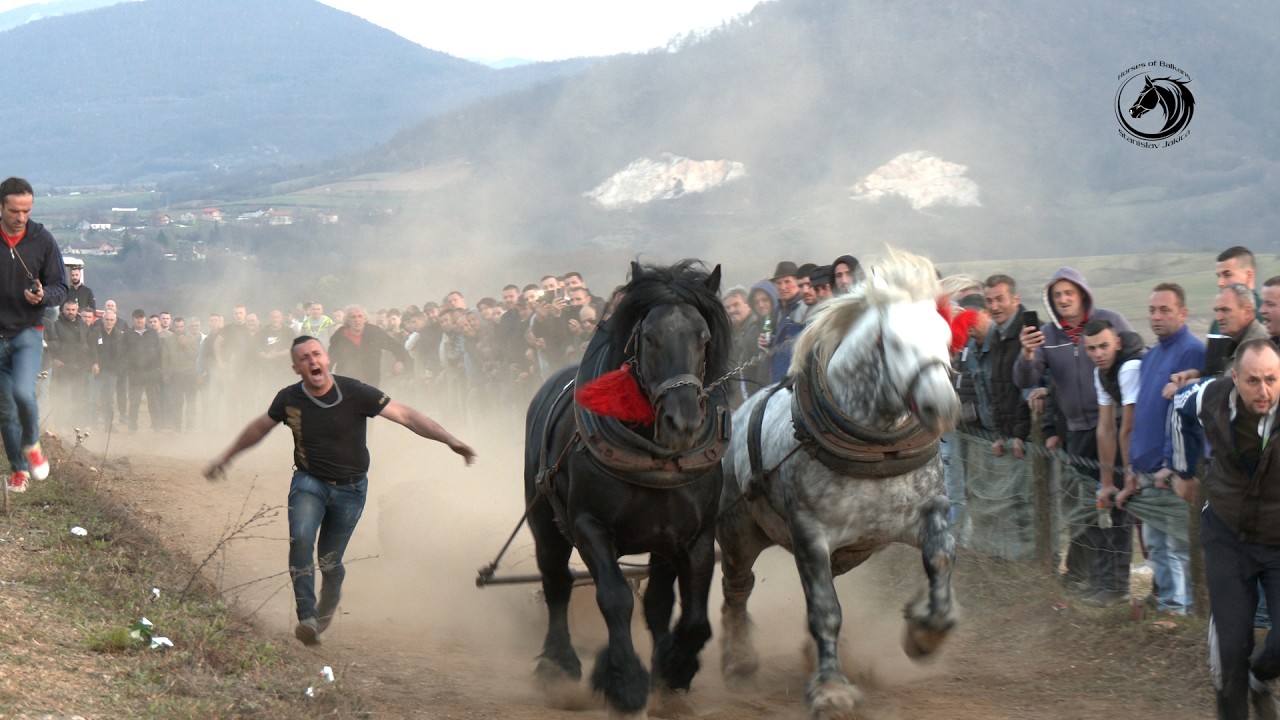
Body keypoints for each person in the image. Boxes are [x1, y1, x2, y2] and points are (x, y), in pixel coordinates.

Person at [203, 336, 476, 646]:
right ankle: (306, 616)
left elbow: (406, 415)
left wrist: (450, 440)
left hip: (351, 490)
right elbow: (259, 428)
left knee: (330, 561)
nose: (312, 361)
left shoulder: (356, 392)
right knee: (302, 539)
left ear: (327, 358)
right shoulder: (289, 399)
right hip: (309, 482)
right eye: (304, 358)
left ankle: (323, 613)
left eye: (316, 354)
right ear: (296, 367)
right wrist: (226, 457)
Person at [1172, 339, 1280, 719]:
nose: (1263, 390)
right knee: (1230, 649)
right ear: (1235, 377)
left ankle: (1260, 677)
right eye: (1252, 380)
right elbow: (1179, 405)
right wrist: (1183, 471)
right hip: (1227, 535)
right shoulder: (1211, 396)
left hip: (1278, 540)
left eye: (1271, 379)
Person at [1014, 266, 1134, 595]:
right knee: (1088, 510)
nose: (1064, 300)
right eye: (1057, 295)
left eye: (1069, 293)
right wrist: (1026, 353)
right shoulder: (1047, 336)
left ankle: (1119, 584)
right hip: (1078, 433)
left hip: (1115, 426)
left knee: (1119, 509)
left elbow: (1135, 360)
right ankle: (1098, 581)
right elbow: (1024, 379)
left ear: (1082, 293)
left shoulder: (1111, 321)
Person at [1116, 282, 1204, 616]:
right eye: (1152, 310)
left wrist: (1172, 461)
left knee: (1179, 546)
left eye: (1165, 310)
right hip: (1146, 472)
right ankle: (1169, 606)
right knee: (1156, 545)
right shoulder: (1151, 356)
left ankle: (1183, 611)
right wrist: (1133, 469)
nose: (1156, 316)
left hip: (1171, 473)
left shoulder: (1192, 352)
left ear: (1183, 313)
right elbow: (1144, 414)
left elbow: (1184, 414)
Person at [0, 177, 67, 492]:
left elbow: (60, 287)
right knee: (5, 409)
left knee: (24, 394)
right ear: (2, 207)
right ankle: (19, 470)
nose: (21, 217)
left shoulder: (42, 239)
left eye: (26, 210)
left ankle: (32, 446)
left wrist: (42, 297)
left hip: (27, 331)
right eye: (14, 210)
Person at [1082, 318, 1144, 607]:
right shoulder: (1101, 373)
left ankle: (1127, 588)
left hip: (1155, 441)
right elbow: (1105, 427)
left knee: (1145, 521)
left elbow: (1128, 426)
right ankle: (1112, 586)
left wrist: (1128, 474)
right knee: (1114, 508)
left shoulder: (1130, 366)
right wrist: (1107, 482)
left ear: (1117, 343)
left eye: (1104, 346)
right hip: (1138, 443)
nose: (1098, 353)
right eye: (1092, 348)